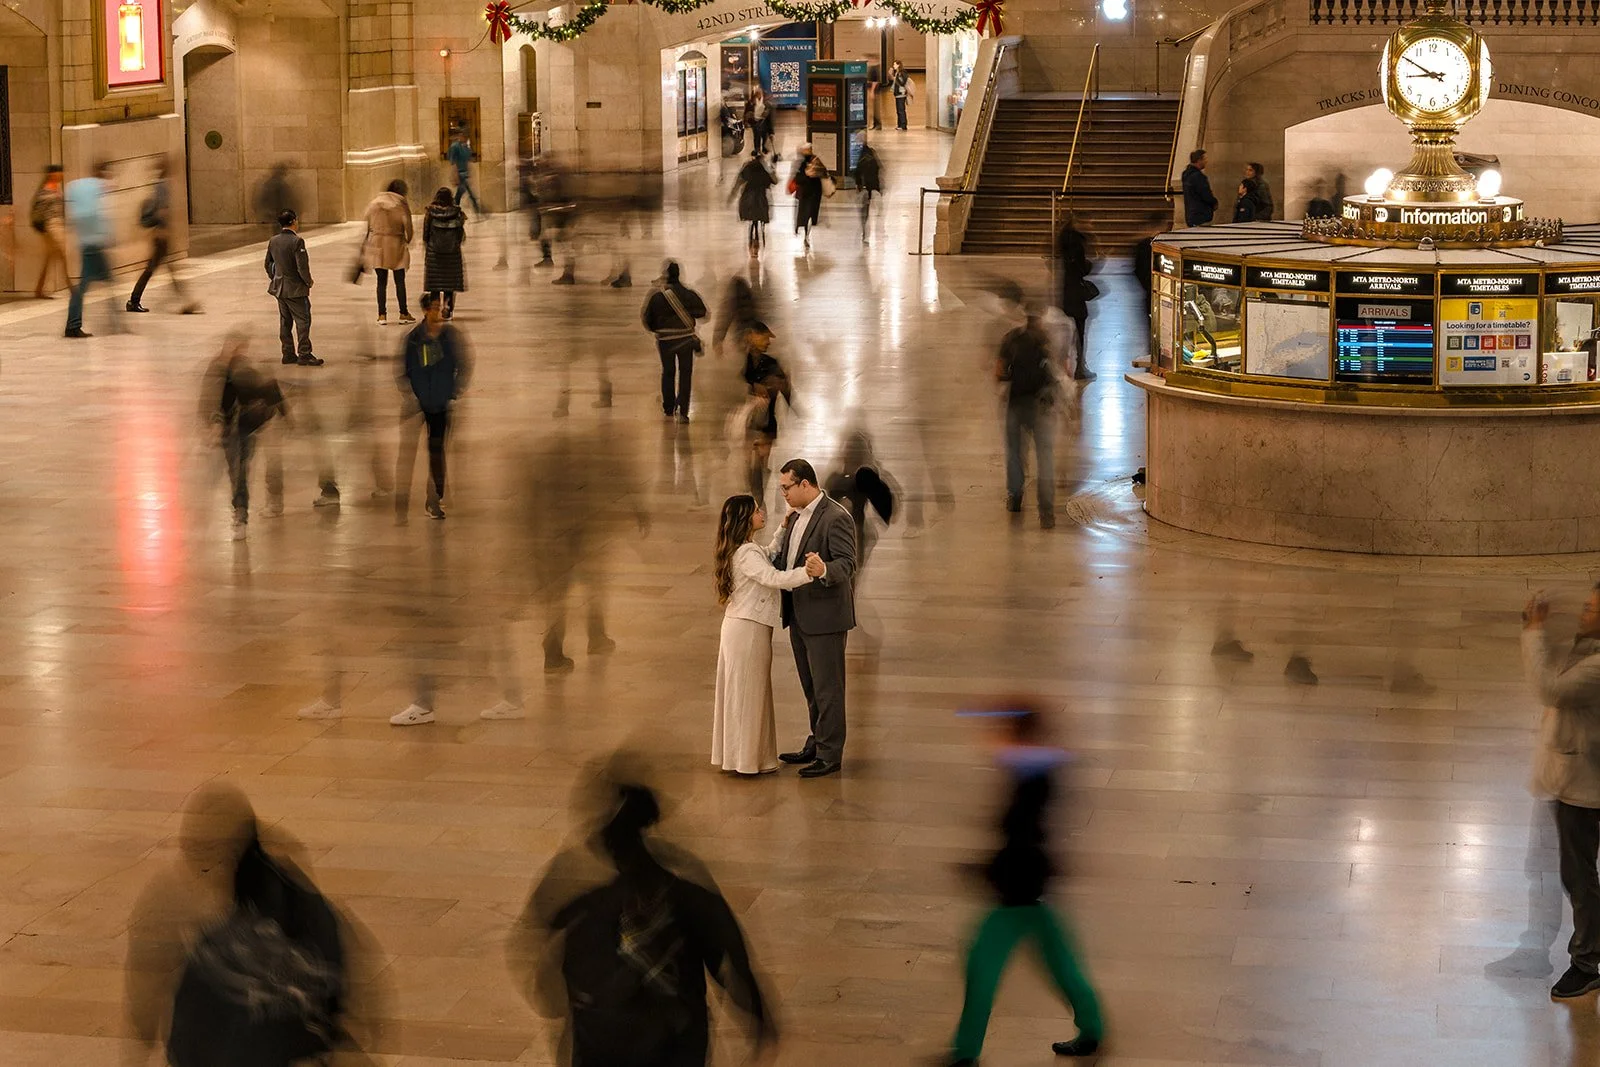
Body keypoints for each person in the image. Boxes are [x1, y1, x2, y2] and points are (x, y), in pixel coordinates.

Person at [511, 775, 777, 1066]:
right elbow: (729, 958)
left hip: (604, 1044)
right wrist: (758, 1019)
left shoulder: (587, 909)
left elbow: (548, 983)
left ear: (609, 849)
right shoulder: (688, 895)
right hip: (675, 1045)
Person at [943, 703, 1104, 1065]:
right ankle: (1093, 1028)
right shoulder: (1031, 773)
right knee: (1061, 963)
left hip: (1019, 889)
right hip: (1030, 885)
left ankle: (965, 1053)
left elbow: (1021, 834)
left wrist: (985, 870)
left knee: (981, 967)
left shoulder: (1037, 773)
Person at [1522, 587, 1600, 999]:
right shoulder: (1588, 648)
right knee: (1567, 869)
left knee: (1579, 875)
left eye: (1592, 609)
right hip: (1569, 777)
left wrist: (1534, 632)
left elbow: (1552, 689)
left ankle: (1586, 962)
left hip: (1583, 786)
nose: (1584, 612)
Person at [711, 494, 822, 775]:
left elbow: (768, 555)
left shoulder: (745, 548)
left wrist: (783, 529)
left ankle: (743, 757)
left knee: (744, 694)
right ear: (745, 518)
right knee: (749, 695)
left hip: (742, 627)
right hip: (748, 630)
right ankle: (748, 761)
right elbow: (772, 577)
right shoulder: (747, 553)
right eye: (756, 510)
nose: (762, 512)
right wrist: (808, 574)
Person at [772, 458, 857, 779]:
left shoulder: (835, 518)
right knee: (811, 686)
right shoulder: (795, 516)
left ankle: (830, 753)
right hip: (799, 615)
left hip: (825, 619)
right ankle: (817, 740)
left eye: (786, 488)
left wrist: (824, 570)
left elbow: (848, 563)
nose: (783, 494)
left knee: (828, 688)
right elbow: (787, 559)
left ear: (805, 484)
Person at [393, 291, 472, 533]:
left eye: (440, 307)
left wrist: (453, 391)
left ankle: (434, 497)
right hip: (420, 403)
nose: (438, 311)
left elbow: (463, 363)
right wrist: (413, 394)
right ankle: (403, 504)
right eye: (434, 307)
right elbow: (404, 369)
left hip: (440, 403)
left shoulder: (449, 336)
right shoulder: (415, 338)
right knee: (409, 455)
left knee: (436, 451)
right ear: (426, 310)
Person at [200, 334, 287, 540]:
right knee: (236, 469)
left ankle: (243, 513)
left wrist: (283, 415)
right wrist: (213, 424)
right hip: (231, 428)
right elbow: (208, 401)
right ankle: (241, 512)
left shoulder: (244, 372)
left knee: (240, 468)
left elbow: (270, 389)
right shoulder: (217, 371)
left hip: (247, 425)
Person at [997, 303, 1059, 529]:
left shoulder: (1011, 339)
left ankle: (1015, 497)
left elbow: (1000, 371)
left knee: (1015, 453)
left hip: (1016, 403)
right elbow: (1059, 371)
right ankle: (1046, 511)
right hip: (1040, 406)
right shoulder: (1046, 341)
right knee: (1045, 457)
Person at [127, 157, 199, 315]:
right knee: (153, 269)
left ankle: (186, 302)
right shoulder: (163, 186)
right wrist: (164, 231)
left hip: (160, 235)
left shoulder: (160, 185)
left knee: (166, 270)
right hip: (161, 236)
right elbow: (162, 211)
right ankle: (134, 300)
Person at [641, 260, 707, 423]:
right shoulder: (688, 294)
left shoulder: (656, 297)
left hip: (665, 341)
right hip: (685, 340)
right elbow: (702, 312)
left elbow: (647, 319)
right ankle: (683, 410)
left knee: (668, 372)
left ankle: (668, 407)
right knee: (685, 374)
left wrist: (658, 329)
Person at [738, 321, 793, 500]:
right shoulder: (749, 359)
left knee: (760, 458)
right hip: (755, 418)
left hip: (766, 420)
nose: (768, 342)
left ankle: (758, 490)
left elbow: (785, 387)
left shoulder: (769, 362)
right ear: (752, 336)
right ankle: (754, 484)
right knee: (754, 456)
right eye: (765, 338)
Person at [64, 160, 115, 339]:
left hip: (85, 243)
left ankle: (74, 323)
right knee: (102, 282)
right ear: (104, 172)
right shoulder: (98, 187)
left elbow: (74, 216)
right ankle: (74, 324)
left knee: (95, 283)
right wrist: (108, 236)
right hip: (95, 244)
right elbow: (99, 214)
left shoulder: (77, 186)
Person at [265, 210, 323, 366]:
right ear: (293, 221)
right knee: (303, 320)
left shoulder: (273, 240)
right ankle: (304, 353)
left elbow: (268, 264)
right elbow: (301, 266)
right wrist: (308, 281)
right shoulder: (297, 242)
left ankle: (288, 352)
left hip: (280, 289)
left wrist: (275, 278)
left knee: (285, 321)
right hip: (295, 289)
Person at [362, 178, 415, 326]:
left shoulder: (375, 203)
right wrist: (407, 240)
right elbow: (408, 227)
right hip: (396, 243)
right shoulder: (401, 204)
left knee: (381, 282)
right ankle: (403, 313)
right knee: (399, 281)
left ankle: (381, 315)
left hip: (378, 244)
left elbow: (368, 223)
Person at [1055, 212, 1097, 381]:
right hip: (1076, 293)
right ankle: (1079, 367)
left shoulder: (1065, 239)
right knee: (1079, 332)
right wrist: (1092, 262)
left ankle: (1066, 365)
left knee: (1068, 332)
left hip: (1066, 289)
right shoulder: (1077, 243)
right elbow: (1082, 268)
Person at [423, 187, 467, 318]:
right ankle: (448, 308)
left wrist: (428, 245)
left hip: (434, 253)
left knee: (435, 285)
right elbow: (460, 236)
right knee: (449, 283)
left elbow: (426, 234)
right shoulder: (457, 213)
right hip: (452, 253)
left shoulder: (430, 212)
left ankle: (434, 310)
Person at [29, 164, 67, 299]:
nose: (61, 175)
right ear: (52, 174)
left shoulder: (56, 188)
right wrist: (44, 228)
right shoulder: (45, 191)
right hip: (51, 226)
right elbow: (39, 211)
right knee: (63, 254)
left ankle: (39, 289)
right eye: (59, 172)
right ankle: (71, 285)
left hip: (57, 225)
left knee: (50, 258)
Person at [731, 150, 776, 255]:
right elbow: (774, 181)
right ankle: (758, 238)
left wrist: (732, 195)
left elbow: (740, 180)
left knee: (752, 220)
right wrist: (772, 168)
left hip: (749, 198)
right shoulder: (765, 168)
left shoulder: (748, 166)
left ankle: (751, 240)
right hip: (760, 198)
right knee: (759, 217)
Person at [792, 145, 826, 249]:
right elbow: (798, 178)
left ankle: (806, 235)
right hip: (808, 194)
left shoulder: (811, 161)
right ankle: (805, 234)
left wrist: (812, 173)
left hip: (810, 193)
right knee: (806, 215)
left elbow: (823, 172)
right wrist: (807, 174)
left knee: (808, 215)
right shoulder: (805, 162)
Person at [447, 127, 483, 216]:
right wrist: (454, 175)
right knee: (465, 192)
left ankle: (455, 209)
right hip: (459, 174)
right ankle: (476, 209)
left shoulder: (465, 146)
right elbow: (453, 163)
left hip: (464, 173)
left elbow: (468, 159)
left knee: (462, 192)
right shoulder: (455, 146)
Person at [853, 141, 882, 243]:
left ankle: (864, 230)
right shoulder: (871, 155)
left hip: (864, 187)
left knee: (864, 211)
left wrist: (858, 184)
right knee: (866, 210)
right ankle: (865, 231)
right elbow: (878, 169)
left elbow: (856, 172)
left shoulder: (860, 156)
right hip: (870, 187)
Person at [1181, 148, 1217, 227]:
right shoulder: (1198, 177)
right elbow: (1205, 194)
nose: (1206, 161)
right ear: (1199, 160)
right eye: (1205, 159)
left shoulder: (1186, 175)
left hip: (1191, 214)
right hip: (1200, 215)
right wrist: (1214, 202)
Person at [744, 87, 772, 155]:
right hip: (755, 121)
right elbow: (747, 111)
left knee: (764, 135)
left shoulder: (766, 102)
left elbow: (769, 113)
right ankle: (757, 149)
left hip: (763, 121)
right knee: (756, 136)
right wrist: (746, 121)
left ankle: (764, 147)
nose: (758, 94)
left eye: (759, 93)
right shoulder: (751, 102)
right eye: (757, 93)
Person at [890, 61, 914, 131]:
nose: (893, 65)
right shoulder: (898, 73)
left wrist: (895, 78)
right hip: (898, 94)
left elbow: (902, 82)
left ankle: (903, 125)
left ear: (898, 65)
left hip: (901, 93)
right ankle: (899, 125)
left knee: (901, 110)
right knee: (898, 110)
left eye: (894, 64)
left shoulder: (902, 73)